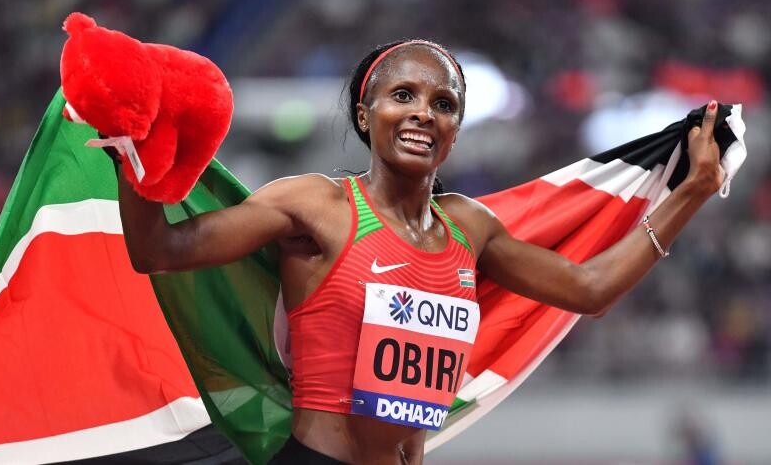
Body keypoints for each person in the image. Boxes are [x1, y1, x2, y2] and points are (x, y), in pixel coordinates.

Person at [114, 39, 724, 465]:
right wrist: (133, 147)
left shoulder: (470, 227)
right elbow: (158, 250)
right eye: (402, 95)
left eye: (443, 104)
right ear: (366, 114)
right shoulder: (316, 206)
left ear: (455, 131)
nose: (422, 114)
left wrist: (693, 190)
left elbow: (590, 290)